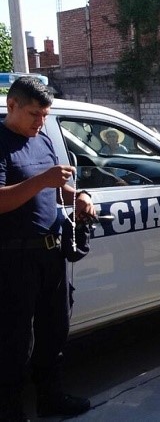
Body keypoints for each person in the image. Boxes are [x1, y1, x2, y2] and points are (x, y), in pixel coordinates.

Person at [0, 77, 96, 420]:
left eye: (44, 114)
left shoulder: (41, 140)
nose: (41, 122)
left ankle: (50, 398)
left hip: (51, 252)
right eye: (34, 114)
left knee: (54, 331)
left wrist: (79, 196)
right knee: (14, 342)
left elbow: (57, 188)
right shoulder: (2, 141)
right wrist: (44, 179)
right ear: (12, 106)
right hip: (15, 258)